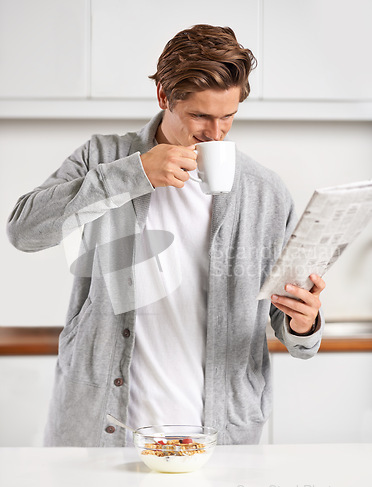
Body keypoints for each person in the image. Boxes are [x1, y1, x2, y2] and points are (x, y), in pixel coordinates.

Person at [7, 24, 325, 447]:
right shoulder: (105, 158)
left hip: (219, 434)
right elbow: (24, 232)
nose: (216, 133)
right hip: (102, 429)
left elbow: (289, 329)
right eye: (200, 116)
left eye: (228, 116)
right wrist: (132, 174)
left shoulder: (264, 191)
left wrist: (304, 323)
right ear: (164, 98)